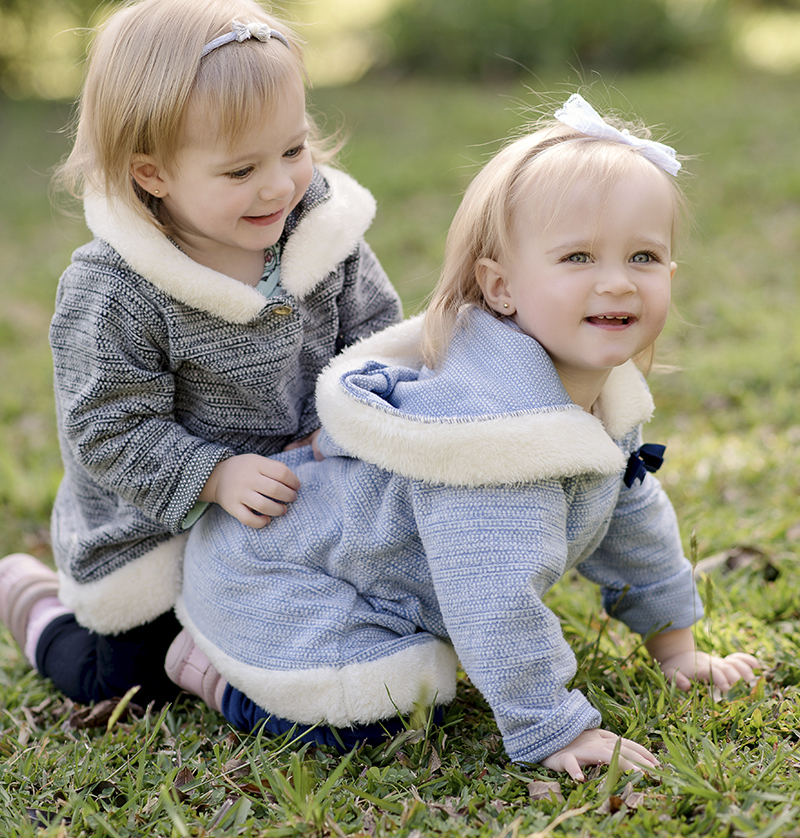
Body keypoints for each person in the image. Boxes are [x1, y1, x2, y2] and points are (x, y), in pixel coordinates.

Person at [174, 96, 758, 777]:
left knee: (426, 681)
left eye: (644, 257)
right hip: (277, 578)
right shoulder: (489, 436)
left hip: (361, 579)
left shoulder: (596, 394)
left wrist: (676, 648)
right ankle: (203, 664)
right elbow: (493, 597)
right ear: (501, 288)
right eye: (577, 256)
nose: (617, 283)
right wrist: (554, 730)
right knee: (382, 714)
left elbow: (633, 519)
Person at [0, 0, 402, 709]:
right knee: (124, 681)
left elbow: (375, 335)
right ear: (151, 174)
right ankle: (30, 600)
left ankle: (235, 656)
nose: (278, 186)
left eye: (292, 149)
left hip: (298, 500)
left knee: (343, 614)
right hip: (161, 530)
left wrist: (367, 418)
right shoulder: (117, 288)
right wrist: (216, 476)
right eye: (240, 169)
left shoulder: (320, 232)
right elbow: (107, 427)